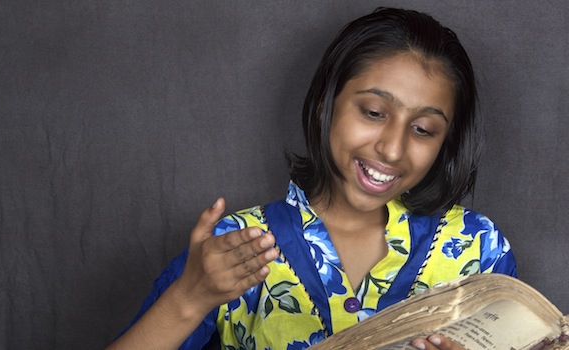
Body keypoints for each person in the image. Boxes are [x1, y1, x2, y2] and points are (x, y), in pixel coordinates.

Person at [108, 7, 517, 350]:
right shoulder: (236, 246)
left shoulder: (479, 250)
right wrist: (190, 297)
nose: (393, 149)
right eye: (374, 113)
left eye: (424, 130)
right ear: (325, 105)